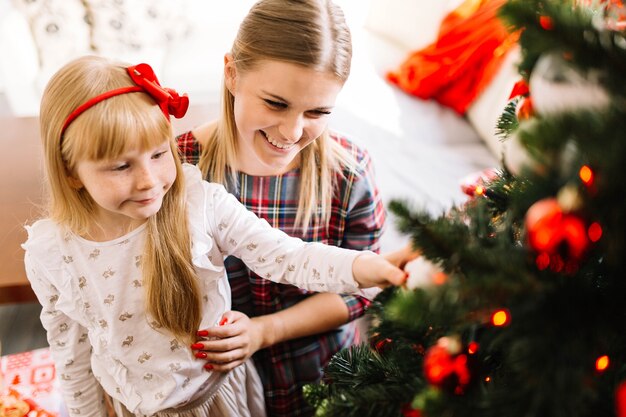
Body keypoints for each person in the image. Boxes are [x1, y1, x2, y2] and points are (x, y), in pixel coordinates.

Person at [23, 55, 411, 417]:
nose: (149, 181)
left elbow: (285, 255)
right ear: (71, 172)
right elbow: (72, 355)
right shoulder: (52, 254)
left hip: (221, 399)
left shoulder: (199, 203)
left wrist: (363, 265)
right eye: (121, 166)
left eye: (160, 154)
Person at [175, 1, 399, 415]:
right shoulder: (178, 170)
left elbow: (359, 291)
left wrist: (265, 330)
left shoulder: (349, 174)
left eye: (318, 112)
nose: (293, 132)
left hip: (321, 379)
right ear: (231, 74)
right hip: (215, 389)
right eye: (276, 104)